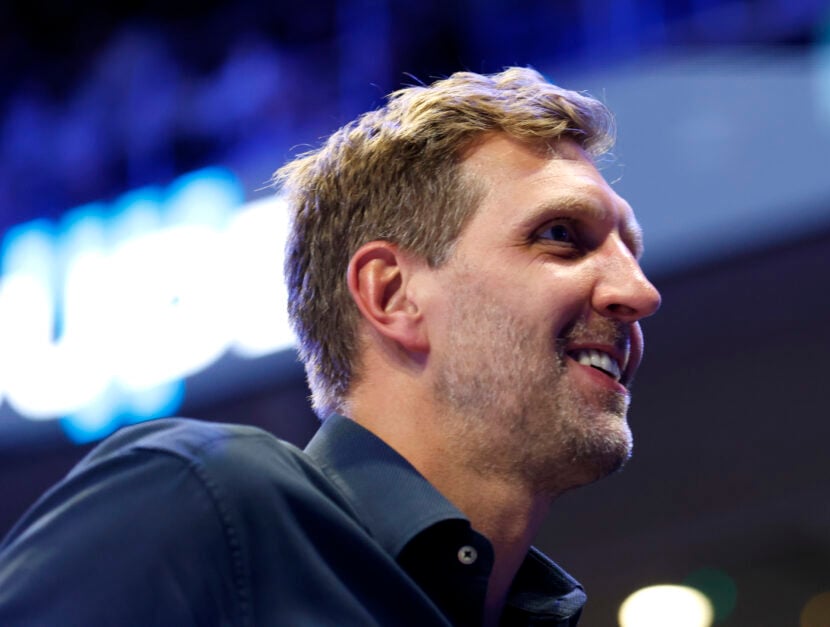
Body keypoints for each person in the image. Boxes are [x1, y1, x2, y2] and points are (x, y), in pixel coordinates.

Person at [0, 67, 661, 626]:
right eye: (560, 236)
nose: (640, 291)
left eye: (631, 252)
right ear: (392, 294)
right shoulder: (208, 506)